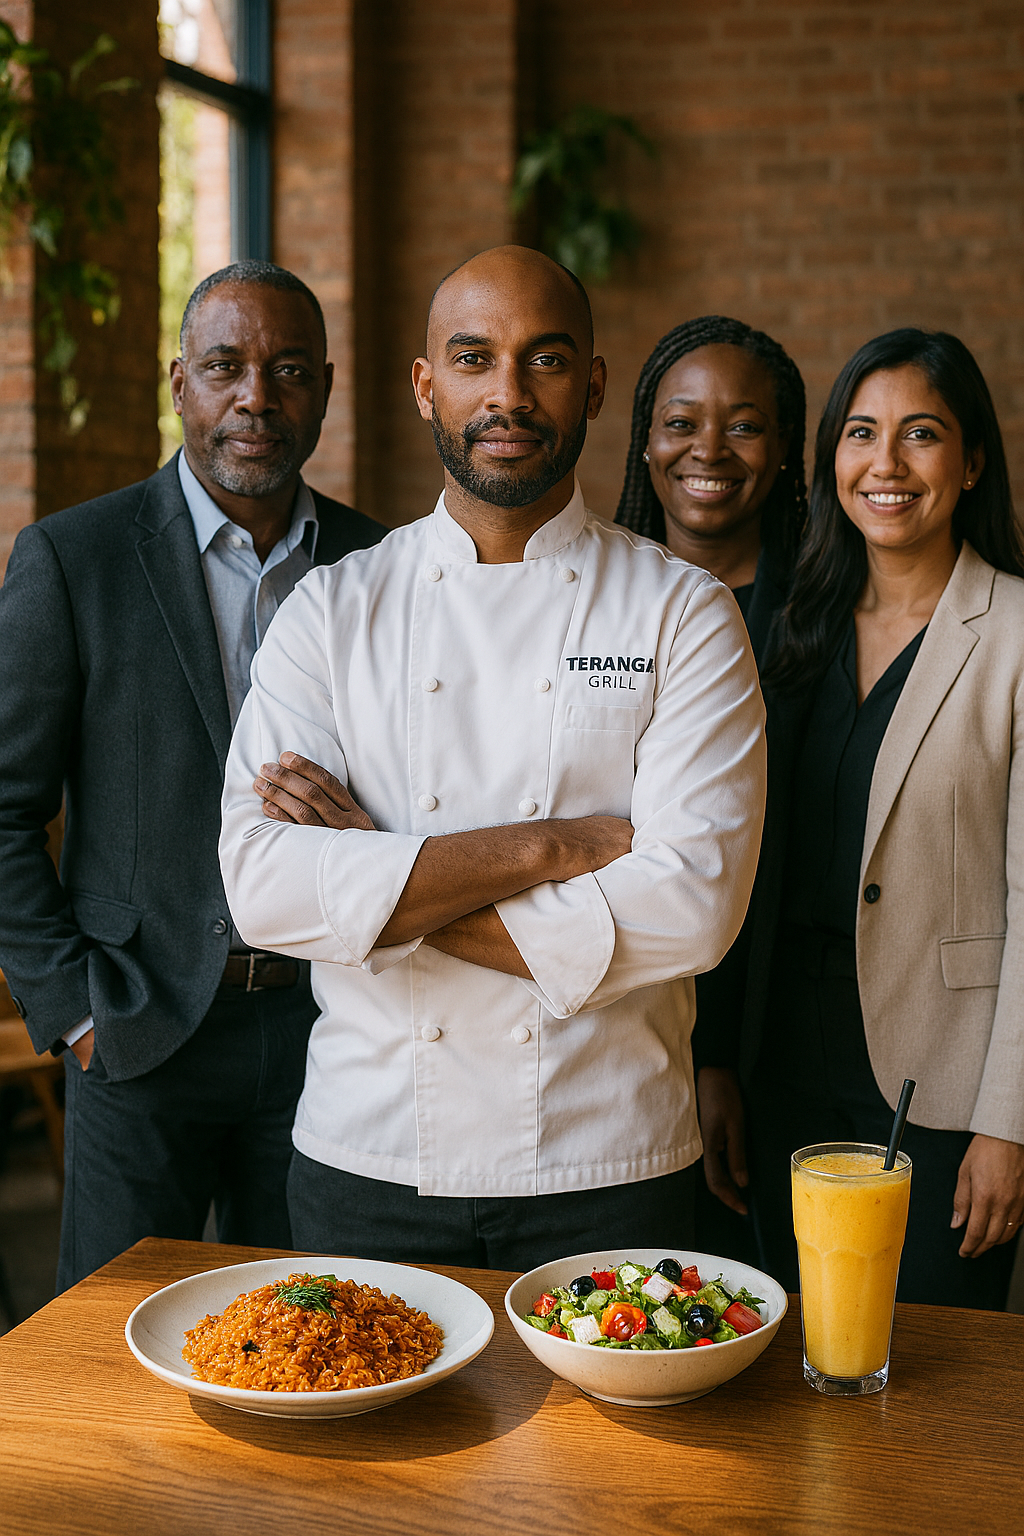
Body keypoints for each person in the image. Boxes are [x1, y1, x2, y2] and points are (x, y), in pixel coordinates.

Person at [218, 245, 767, 1270]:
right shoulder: (332, 612)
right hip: (369, 1154)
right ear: (427, 386)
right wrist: (544, 846)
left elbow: (692, 908)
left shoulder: (683, 614)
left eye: (545, 361)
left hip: (608, 1161)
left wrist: (375, 872)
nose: (506, 394)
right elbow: (261, 887)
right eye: (473, 359)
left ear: (594, 385)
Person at [0, 260, 384, 1290]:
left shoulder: (380, 567)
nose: (257, 396)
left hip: (331, 1030)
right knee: (111, 1348)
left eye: (289, 369)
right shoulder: (72, 560)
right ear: (180, 384)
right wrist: (75, 1012)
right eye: (226, 367)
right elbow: (3, 809)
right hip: (139, 1031)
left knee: (310, 1336)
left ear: (324, 390)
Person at [719, 328, 1024, 1307]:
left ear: (971, 461)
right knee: (782, 1352)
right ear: (829, 461)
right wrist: (715, 1059)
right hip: (779, 1063)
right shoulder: (783, 626)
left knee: (928, 1378)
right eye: (860, 433)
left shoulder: (1013, 632)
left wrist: (1008, 1124)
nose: (885, 464)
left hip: (942, 1080)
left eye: (920, 434)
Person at [614, 317, 808, 1261]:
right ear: (644, 439)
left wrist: (720, 1052)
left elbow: (770, 863)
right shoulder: (592, 602)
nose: (709, 450)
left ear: (783, 452)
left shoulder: (827, 621)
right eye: (681, 420)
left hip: (792, 1034)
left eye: (744, 425)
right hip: (620, 1037)